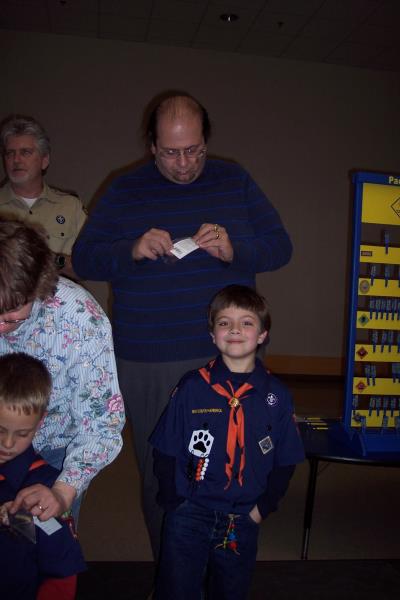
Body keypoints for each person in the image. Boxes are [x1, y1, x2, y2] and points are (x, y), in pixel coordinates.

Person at [72, 92, 293, 557]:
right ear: (152, 146)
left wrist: (235, 251)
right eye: (171, 152)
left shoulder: (234, 180)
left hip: (227, 355)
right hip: (147, 358)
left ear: (206, 141)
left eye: (194, 150)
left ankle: (222, 569)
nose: (185, 163)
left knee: (233, 467)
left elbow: (280, 246)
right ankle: (172, 574)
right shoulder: (125, 189)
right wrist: (131, 250)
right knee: (165, 475)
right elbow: (86, 258)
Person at [150, 285, 305, 600]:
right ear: (212, 334)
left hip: (243, 515)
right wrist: (174, 502)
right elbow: (165, 449)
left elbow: (286, 459)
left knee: (231, 590)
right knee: (177, 588)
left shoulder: (276, 396)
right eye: (224, 322)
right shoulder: (192, 387)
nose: (235, 329)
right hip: (190, 512)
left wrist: (262, 509)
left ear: (262, 335)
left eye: (246, 322)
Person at [0, 217, 125, 521]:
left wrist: (62, 492)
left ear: (38, 288)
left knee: (46, 543)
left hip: (55, 453)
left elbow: (101, 424)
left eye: (11, 317)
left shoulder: (80, 319)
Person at [0, 352, 86, 600]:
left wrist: (18, 518)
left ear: (39, 424)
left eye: (22, 434)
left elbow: (61, 571)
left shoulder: (41, 492)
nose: (8, 444)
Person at [0, 114, 87, 279]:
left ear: (44, 160)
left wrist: (52, 260)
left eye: (25, 152)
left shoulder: (70, 207)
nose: (16, 160)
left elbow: (90, 266)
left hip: (59, 294)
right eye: (10, 153)